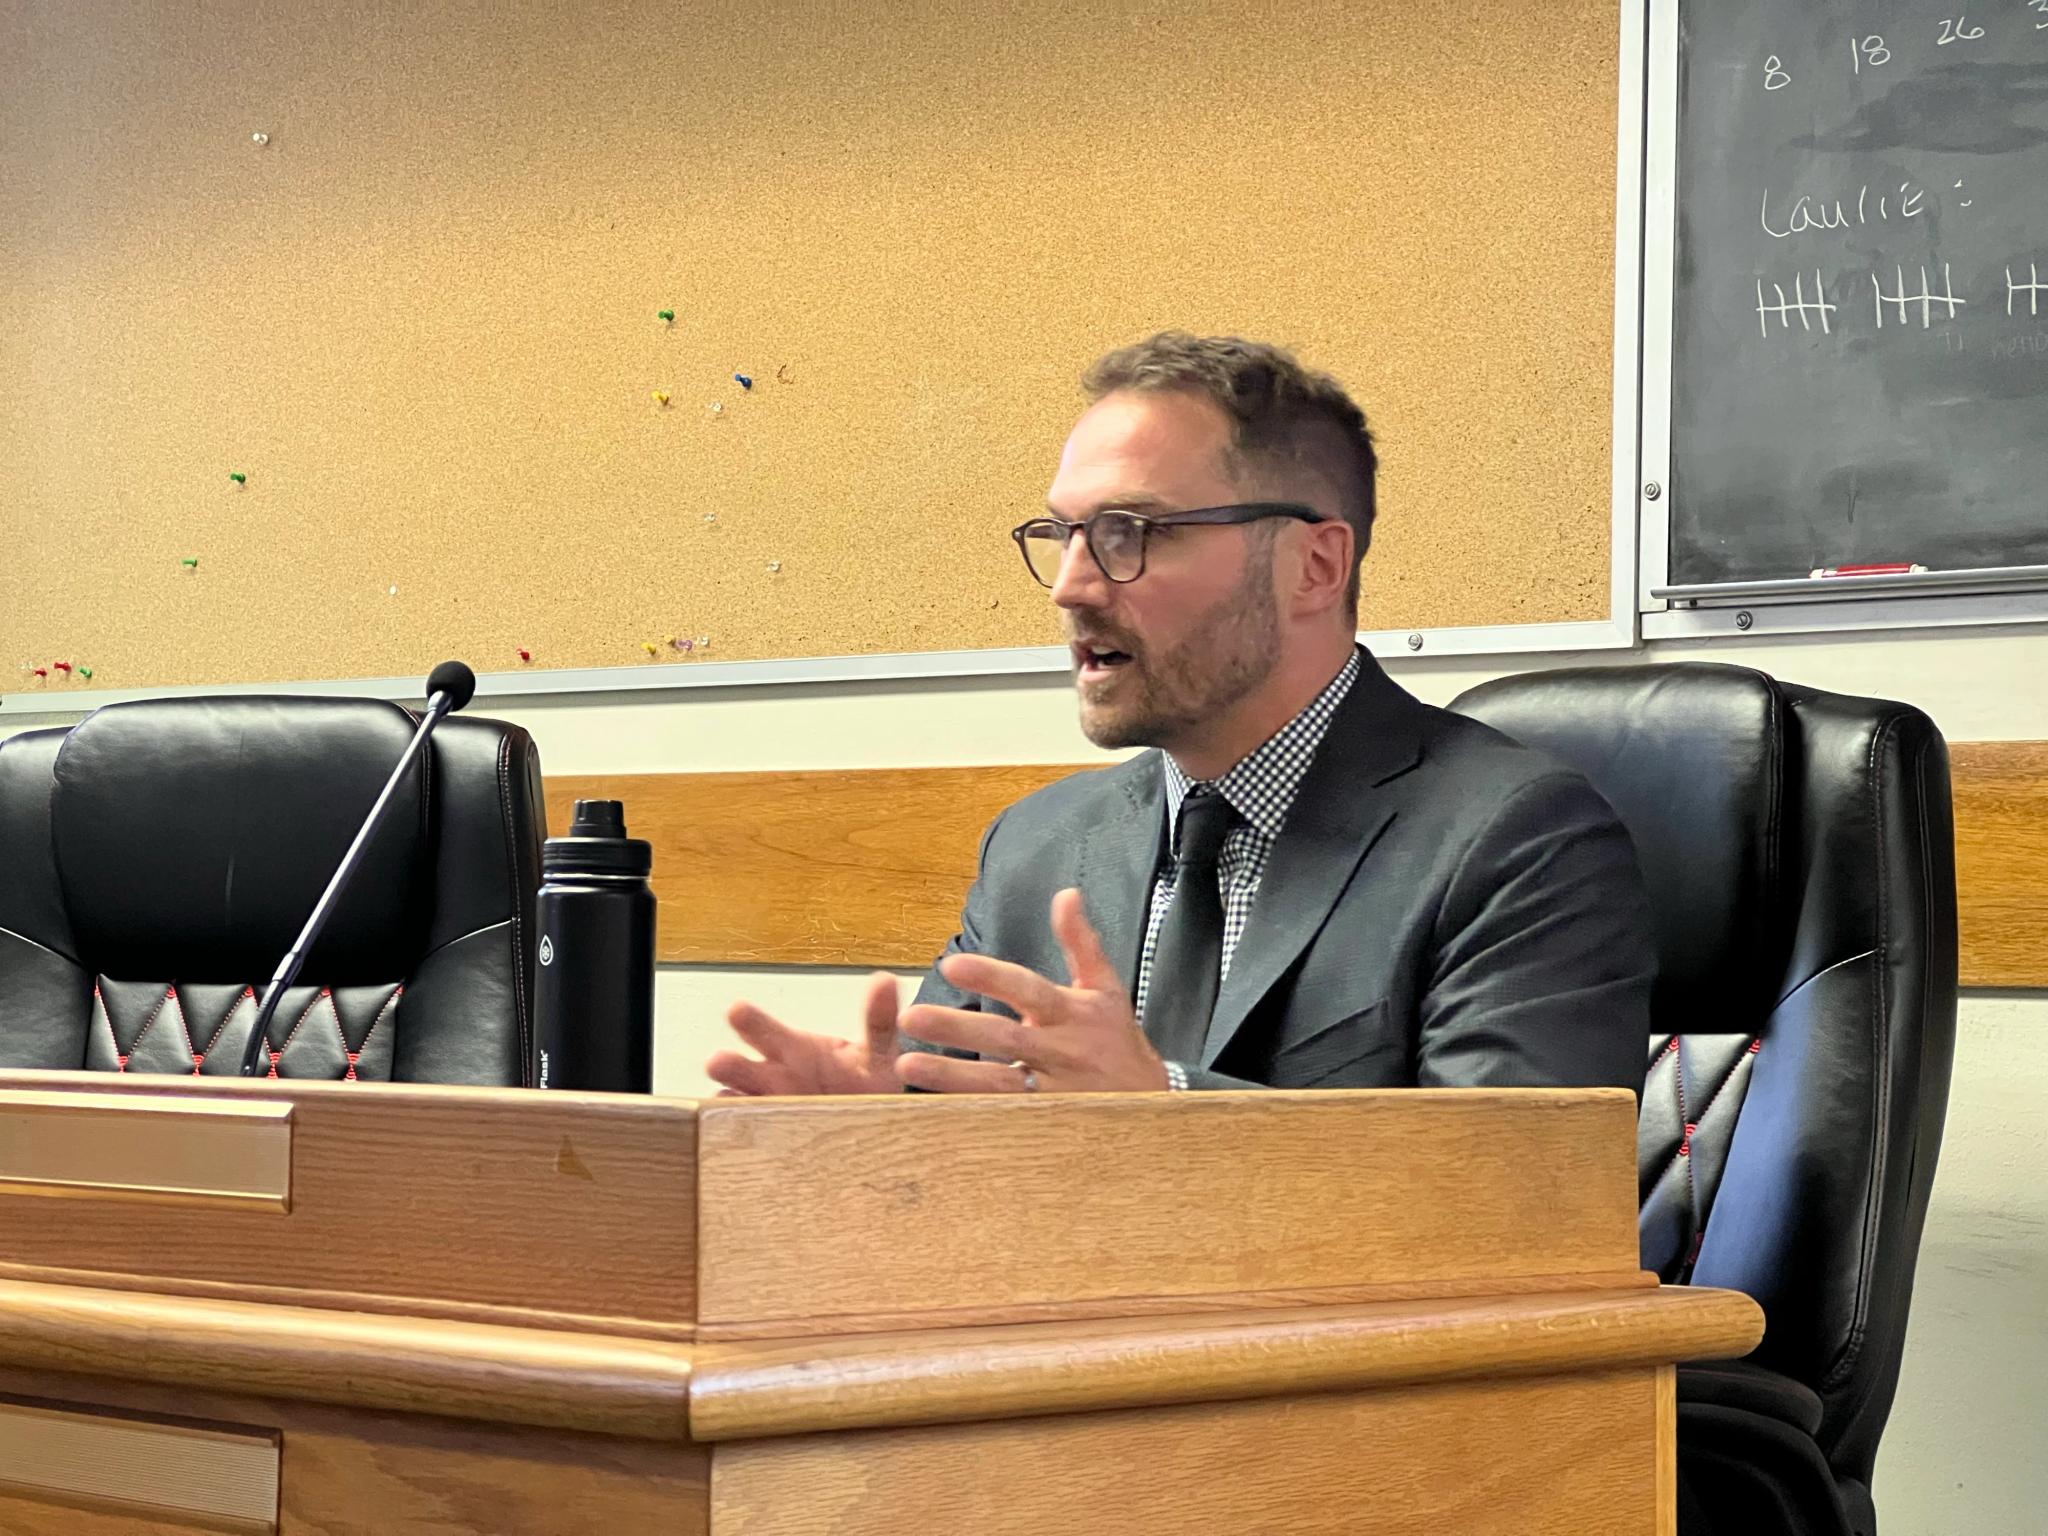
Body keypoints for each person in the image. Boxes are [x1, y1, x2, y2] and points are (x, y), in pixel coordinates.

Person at [707, 333, 1653, 1098]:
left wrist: (1164, 1109)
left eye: (1131, 533)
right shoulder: (1036, 850)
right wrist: (869, 1130)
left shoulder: (1516, 840)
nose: (1071, 586)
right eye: (1062, 535)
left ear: (1314, 567)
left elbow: (1516, 1199)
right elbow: (966, 1150)